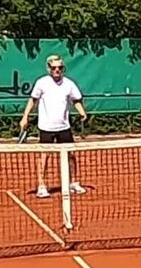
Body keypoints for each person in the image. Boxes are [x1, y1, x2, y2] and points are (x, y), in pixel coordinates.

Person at [19, 55, 89, 198]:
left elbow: (76, 100)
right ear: (48, 69)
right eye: (54, 68)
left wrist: (82, 112)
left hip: (64, 127)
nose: (57, 70)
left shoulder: (69, 84)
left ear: (63, 68)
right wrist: (25, 117)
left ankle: (73, 183)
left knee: (71, 156)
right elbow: (33, 101)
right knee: (44, 156)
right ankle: (41, 186)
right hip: (46, 128)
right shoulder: (41, 83)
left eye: (60, 67)